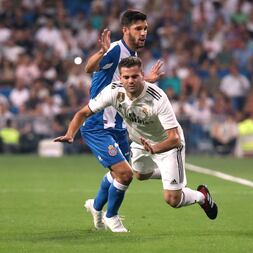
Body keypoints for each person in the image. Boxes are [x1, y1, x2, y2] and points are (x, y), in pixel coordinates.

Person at [55, 57, 218, 230]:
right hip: (141, 142)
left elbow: (174, 138)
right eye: (126, 77)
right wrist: (70, 134)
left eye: (134, 76)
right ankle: (169, 174)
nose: (130, 81)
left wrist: (154, 149)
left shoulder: (157, 97)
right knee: (139, 174)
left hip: (167, 144)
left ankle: (201, 196)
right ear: (120, 78)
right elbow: (82, 113)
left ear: (142, 76)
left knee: (172, 200)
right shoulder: (113, 91)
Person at [79, 10, 164, 232]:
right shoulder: (116, 49)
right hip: (99, 122)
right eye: (138, 28)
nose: (143, 32)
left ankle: (96, 207)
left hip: (118, 124)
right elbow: (89, 68)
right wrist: (101, 52)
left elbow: (123, 84)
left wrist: (147, 80)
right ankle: (112, 216)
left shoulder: (132, 56)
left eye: (145, 28)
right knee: (125, 174)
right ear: (125, 30)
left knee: (117, 173)